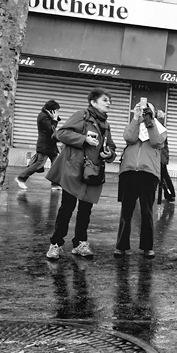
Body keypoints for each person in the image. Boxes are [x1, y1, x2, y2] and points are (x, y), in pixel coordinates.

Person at [45, 88, 116, 259]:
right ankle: (55, 244)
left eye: (109, 101)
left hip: (93, 172)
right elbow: (60, 133)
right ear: (93, 102)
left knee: (85, 210)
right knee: (67, 208)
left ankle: (80, 243)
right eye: (105, 100)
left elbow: (111, 146)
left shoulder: (105, 124)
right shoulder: (82, 115)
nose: (109, 103)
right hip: (74, 170)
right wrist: (83, 139)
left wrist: (110, 154)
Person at [114, 100, 166, 259]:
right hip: (129, 171)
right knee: (126, 211)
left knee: (147, 211)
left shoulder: (161, 129)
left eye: (147, 110)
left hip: (148, 173)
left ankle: (147, 247)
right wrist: (136, 118)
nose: (144, 112)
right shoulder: (134, 123)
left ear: (154, 113)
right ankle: (121, 246)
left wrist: (150, 121)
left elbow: (157, 141)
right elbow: (128, 137)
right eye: (142, 109)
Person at [15, 100, 62, 191]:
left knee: (56, 164)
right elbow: (50, 130)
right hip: (44, 145)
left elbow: (54, 123)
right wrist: (54, 119)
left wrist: (54, 117)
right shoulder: (43, 116)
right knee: (39, 163)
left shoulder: (47, 115)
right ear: (52, 110)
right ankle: (21, 178)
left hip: (51, 145)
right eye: (56, 110)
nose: (57, 112)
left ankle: (55, 184)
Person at [157, 111, 176, 202]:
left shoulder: (160, 129)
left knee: (163, 176)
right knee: (163, 176)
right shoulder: (161, 128)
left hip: (161, 157)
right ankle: (169, 193)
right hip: (162, 156)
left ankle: (169, 193)